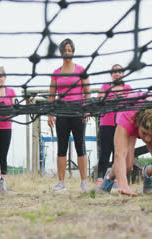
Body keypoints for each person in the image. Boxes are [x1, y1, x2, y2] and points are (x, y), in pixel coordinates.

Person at [98, 94, 152, 199]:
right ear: (139, 123)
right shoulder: (127, 117)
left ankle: (147, 172)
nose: (147, 139)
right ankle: (109, 177)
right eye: (145, 133)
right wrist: (124, 186)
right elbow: (119, 155)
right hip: (130, 117)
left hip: (149, 115)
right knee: (127, 166)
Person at [48, 38, 91, 192]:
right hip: (62, 113)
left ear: (73, 52)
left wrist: (86, 110)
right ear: (61, 53)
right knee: (62, 147)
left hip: (78, 112)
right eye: (64, 50)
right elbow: (52, 95)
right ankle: (61, 183)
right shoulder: (55, 73)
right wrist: (51, 114)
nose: (67, 53)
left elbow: (87, 92)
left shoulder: (81, 70)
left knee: (81, 146)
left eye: (69, 50)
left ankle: (84, 182)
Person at [95, 64, 132, 189]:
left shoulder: (127, 88)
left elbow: (133, 104)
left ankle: (116, 178)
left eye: (120, 72)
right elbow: (98, 101)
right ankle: (100, 178)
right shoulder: (105, 87)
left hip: (121, 125)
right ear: (111, 74)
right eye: (115, 72)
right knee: (105, 152)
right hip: (106, 123)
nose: (117, 74)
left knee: (119, 152)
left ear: (123, 74)